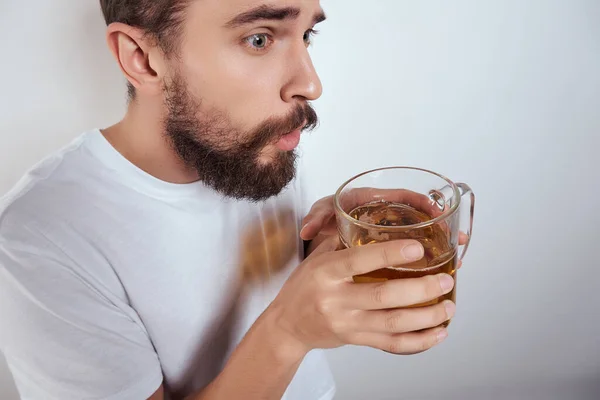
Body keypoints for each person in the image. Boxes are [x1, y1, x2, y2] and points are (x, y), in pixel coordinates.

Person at [0, 1, 461, 399]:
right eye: (260, 39)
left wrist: (313, 246)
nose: (311, 84)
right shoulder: (40, 237)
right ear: (142, 58)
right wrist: (288, 331)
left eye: (307, 34)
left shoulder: (251, 142)